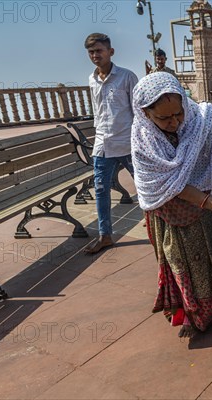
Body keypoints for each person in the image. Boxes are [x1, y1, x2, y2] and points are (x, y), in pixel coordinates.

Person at [131, 72, 212, 338]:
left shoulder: (200, 118)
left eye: (179, 113)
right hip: (168, 211)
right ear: (145, 114)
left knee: (203, 261)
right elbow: (172, 186)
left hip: (200, 210)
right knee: (176, 262)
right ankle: (186, 313)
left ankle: (207, 313)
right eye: (164, 118)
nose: (175, 122)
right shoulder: (142, 139)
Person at [84, 33, 138, 254]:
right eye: (91, 52)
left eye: (99, 50)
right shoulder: (91, 79)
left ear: (110, 52)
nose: (95, 55)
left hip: (128, 144)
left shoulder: (126, 77)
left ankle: (158, 226)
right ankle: (105, 235)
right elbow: (98, 113)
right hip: (102, 145)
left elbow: (138, 112)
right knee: (101, 190)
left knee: (145, 187)